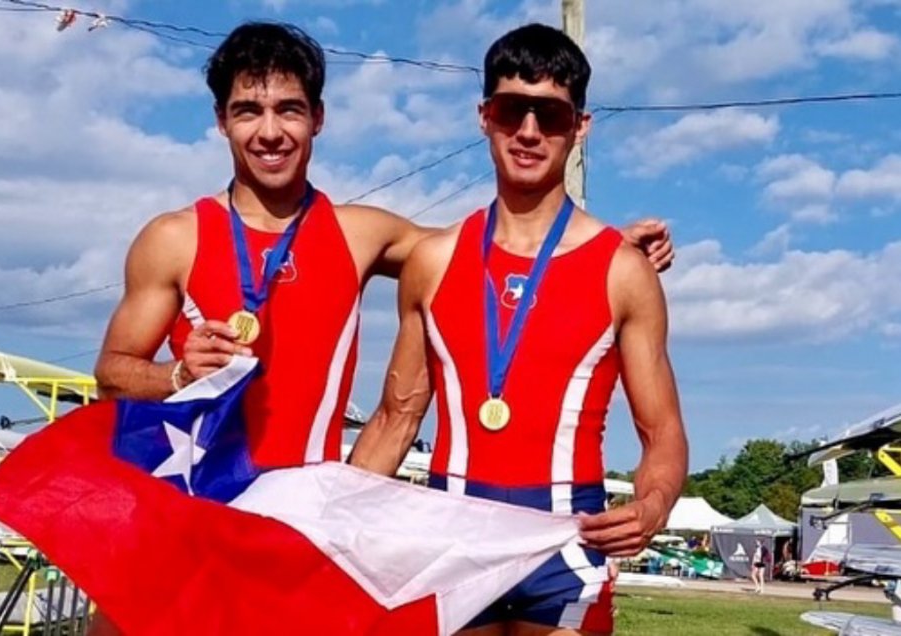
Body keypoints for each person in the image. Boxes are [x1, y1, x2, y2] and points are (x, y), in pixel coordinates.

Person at [91, 21, 673, 635]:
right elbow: (111, 375)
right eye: (248, 111)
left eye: (289, 110)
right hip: (187, 505)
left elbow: (505, 253)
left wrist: (609, 251)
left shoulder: (361, 234)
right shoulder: (173, 238)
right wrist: (176, 374)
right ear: (220, 120)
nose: (270, 132)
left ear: (317, 118)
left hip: (305, 524)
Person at [349, 23, 688, 635]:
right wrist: (337, 523)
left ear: (580, 127)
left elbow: (661, 430)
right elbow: (395, 419)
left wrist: (654, 505)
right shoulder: (433, 262)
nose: (529, 131)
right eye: (512, 110)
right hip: (452, 538)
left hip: (567, 539)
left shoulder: (623, 271)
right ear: (485, 116)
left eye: (550, 115)